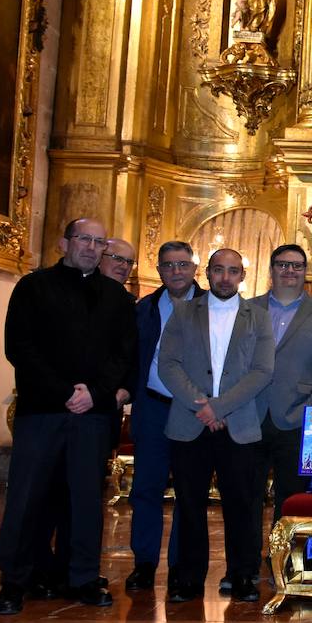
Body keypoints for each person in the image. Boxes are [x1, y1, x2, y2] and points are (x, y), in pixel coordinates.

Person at [0, 218, 136, 615]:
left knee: (86, 500)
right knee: (27, 497)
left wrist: (95, 393)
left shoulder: (117, 297)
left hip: (92, 415)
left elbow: (122, 356)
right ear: (64, 242)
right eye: (84, 239)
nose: (91, 247)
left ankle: (83, 578)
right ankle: (16, 580)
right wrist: (64, 393)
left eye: (98, 241)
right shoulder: (33, 287)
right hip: (42, 411)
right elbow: (20, 347)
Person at [159, 248, 274, 604]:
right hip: (190, 423)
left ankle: (242, 575)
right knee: (190, 503)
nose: (226, 277)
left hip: (238, 424)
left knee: (241, 504)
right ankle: (190, 578)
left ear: (243, 276)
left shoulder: (259, 317)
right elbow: (169, 364)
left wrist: (220, 406)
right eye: (219, 270)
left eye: (233, 271)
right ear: (207, 273)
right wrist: (203, 405)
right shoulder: (182, 313)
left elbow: (262, 371)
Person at [124, 241, 202, 593]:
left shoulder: (213, 306)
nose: (176, 272)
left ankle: (179, 566)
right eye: (169, 265)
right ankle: (144, 563)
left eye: (183, 265)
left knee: (189, 491)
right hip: (153, 406)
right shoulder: (144, 308)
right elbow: (130, 357)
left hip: (194, 409)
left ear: (194, 268)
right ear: (159, 270)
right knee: (146, 488)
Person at [251, 244, 312, 521]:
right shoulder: (249, 309)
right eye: (282, 264)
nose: (289, 270)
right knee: (246, 497)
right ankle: (245, 563)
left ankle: (284, 560)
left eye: (297, 265)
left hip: (296, 415)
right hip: (249, 413)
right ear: (271, 269)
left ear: (306, 272)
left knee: (291, 500)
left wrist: (311, 411)